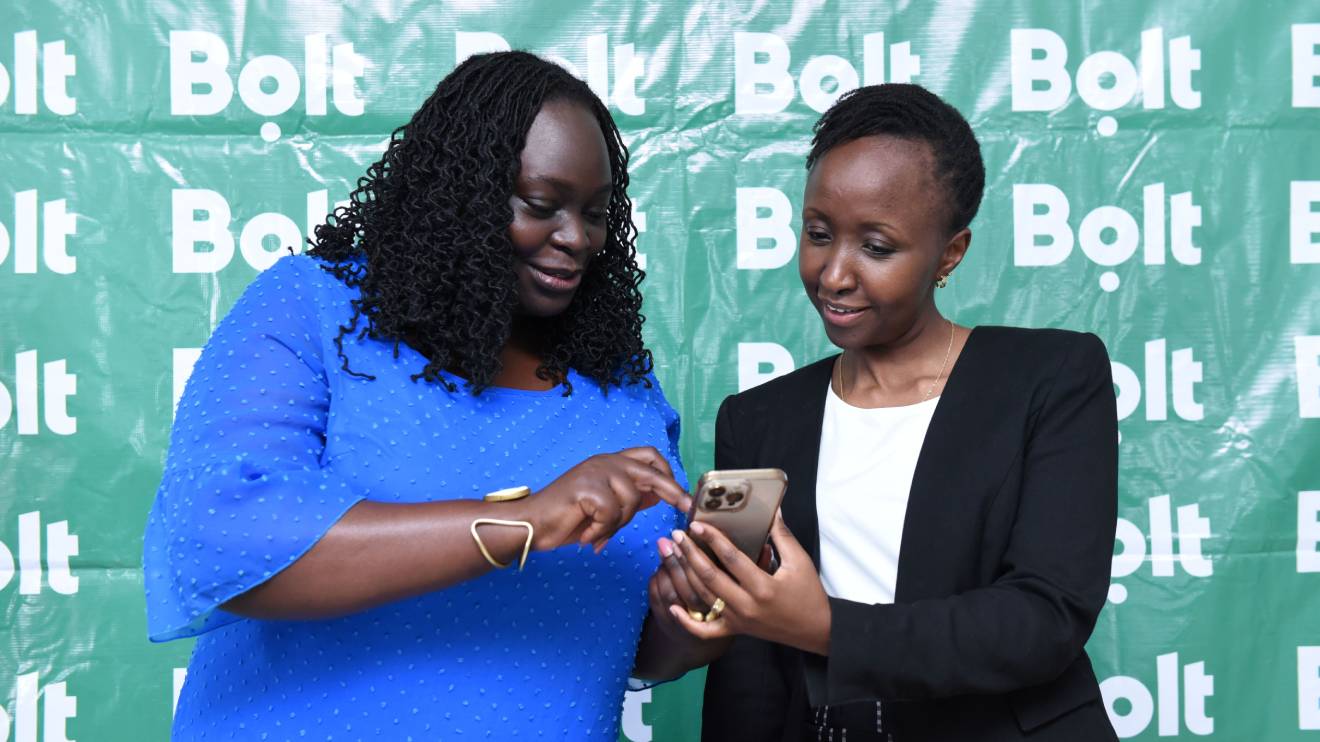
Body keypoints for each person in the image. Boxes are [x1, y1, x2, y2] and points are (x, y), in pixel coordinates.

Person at [143, 51, 714, 741]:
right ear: (460, 193)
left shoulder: (618, 381)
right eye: (542, 206)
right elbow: (222, 540)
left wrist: (697, 626)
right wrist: (527, 520)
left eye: (595, 214)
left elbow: (623, 637)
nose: (576, 239)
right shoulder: (312, 309)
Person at [656, 84, 1120, 740]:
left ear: (949, 254)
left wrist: (821, 627)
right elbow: (749, 659)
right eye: (818, 234)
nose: (834, 273)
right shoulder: (755, 419)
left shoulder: (1052, 379)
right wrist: (703, 599)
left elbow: (1044, 620)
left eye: (876, 247)